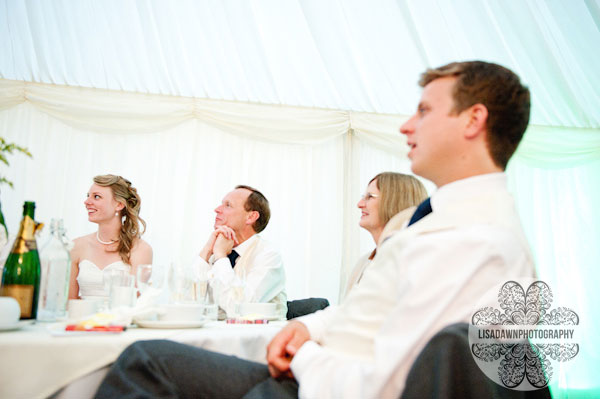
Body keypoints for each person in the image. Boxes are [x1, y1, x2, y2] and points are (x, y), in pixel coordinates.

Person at [95, 60, 534, 399]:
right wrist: (311, 328)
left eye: (423, 110)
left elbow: (389, 385)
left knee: (145, 361)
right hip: (321, 367)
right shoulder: (441, 218)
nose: (405, 125)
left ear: (473, 120)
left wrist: (304, 356)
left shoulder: (478, 241)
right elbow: (373, 311)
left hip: (323, 386)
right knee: (146, 358)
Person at [192, 185, 286, 318]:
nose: (217, 210)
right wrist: (207, 251)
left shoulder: (268, 255)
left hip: (257, 336)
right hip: (216, 334)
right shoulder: (220, 249)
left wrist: (220, 256)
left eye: (228, 205)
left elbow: (238, 309)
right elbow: (188, 303)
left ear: (251, 217)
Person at [342, 172, 427, 300]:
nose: (359, 204)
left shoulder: (416, 261)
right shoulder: (363, 263)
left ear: (395, 201)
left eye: (370, 197)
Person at [68, 175, 152, 301]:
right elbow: (69, 302)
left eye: (96, 197)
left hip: (121, 319)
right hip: (83, 319)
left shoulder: (141, 249)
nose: (87, 202)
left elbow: (133, 301)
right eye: (88, 196)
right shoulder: (76, 246)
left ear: (119, 204)